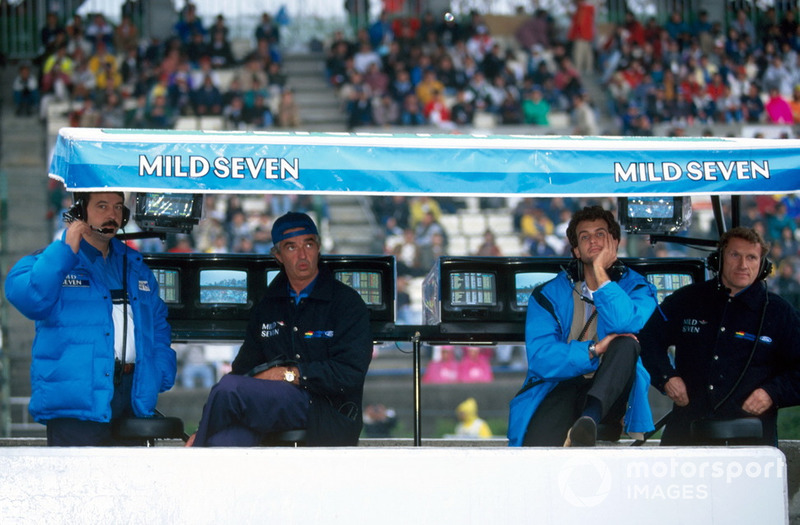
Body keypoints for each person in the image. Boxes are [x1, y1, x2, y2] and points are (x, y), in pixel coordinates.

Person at [5, 191, 176, 446]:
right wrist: (66, 250)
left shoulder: (136, 266)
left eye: (118, 207)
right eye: (102, 206)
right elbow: (32, 301)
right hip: (76, 404)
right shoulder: (47, 261)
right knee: (76, 485)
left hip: (132, 397)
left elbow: (159, 323)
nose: (112, 215)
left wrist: (159, 373)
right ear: (79, 212)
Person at [188, 212, 372, 446]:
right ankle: (203, 440)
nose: (303, 254)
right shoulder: (267, 305)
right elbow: (243, 368)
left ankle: (195, 446)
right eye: (291, 247)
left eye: (308, 244)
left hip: (327, 411)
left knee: (229, 389)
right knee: (223, 442)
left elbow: (350, 373)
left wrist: (290, 374)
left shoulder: (347, 302)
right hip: (271, 408)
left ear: (319, 247)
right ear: (278, 256)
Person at [507, 205, 658, 447]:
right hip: (559, 385)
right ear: (576, 250)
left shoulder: (640, 288)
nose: (593, 241)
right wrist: (594, 350)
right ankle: (582, 426)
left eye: (601, 234)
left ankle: (589, 420)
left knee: (626, 342)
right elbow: (542, 359)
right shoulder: (547, 295)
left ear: (615, 241)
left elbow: (624, 322)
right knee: (535, 452)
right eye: (584, 237)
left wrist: (600, 272)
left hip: (612, 394)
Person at [640, 227, 800, 446]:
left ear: (763, 266)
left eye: (751, 257)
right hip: (686, 432)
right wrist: (666, 377)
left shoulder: (780, 312)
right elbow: (648, 339)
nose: (743, 265)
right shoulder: (687, 299)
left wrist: (772, 393)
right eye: (735, 255)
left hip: (752, 442)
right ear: (718, 259)